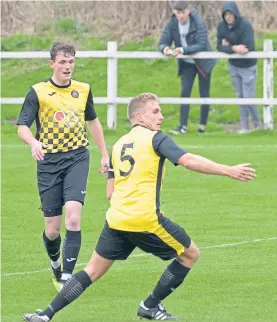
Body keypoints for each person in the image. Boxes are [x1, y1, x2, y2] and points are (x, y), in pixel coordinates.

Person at [23, 92, 256, 322]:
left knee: (91, 271)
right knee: (190, 254)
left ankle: (45, 315)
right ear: (139, 116)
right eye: (155, 111)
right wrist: (228, 170)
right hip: (145, 220)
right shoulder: (157, 138)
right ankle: (150, 306)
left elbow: (110, 193)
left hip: (116, 219)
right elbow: (187, 160)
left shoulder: (118, 144)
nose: (161, 116)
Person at [16, 41, 109, 292]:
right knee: (52, 229)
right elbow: (22, 126)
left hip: (77, 157)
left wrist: (104, 154)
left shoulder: (83, 90)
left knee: (74, 218)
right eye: (63, 62)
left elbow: (94, 122)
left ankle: (67, 277)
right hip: (48, 162)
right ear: (52, 64)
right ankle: (56, 264)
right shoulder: (38, 92)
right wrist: (33, 142)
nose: (68, 67)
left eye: (71, 61)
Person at [158, 0, 216, 135]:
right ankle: (183, 126)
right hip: (186, 63)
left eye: (183, 12)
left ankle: (202, 127)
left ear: (188, 11)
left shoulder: (198, 23)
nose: (181, 16)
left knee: (204, 93)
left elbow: (201, 44)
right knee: (185, 92)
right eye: (178, 13)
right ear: (175, 13)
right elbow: (162, 41)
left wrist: (182, 50)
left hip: (203, 62)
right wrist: (165, 49)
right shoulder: (172, 24)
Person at [217, 1, 261, 134]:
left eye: (230, 14)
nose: (228, 17)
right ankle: (244, 127)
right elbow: (219, 46)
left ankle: (258, 124)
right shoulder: (222, 26)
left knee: (248, 97)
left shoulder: (245, 25)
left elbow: (248, 47)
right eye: (226, 15)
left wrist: (229, 46)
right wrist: (234, 47)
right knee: (240, 96)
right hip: (233, 65)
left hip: (248, 66)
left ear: (235, 13)